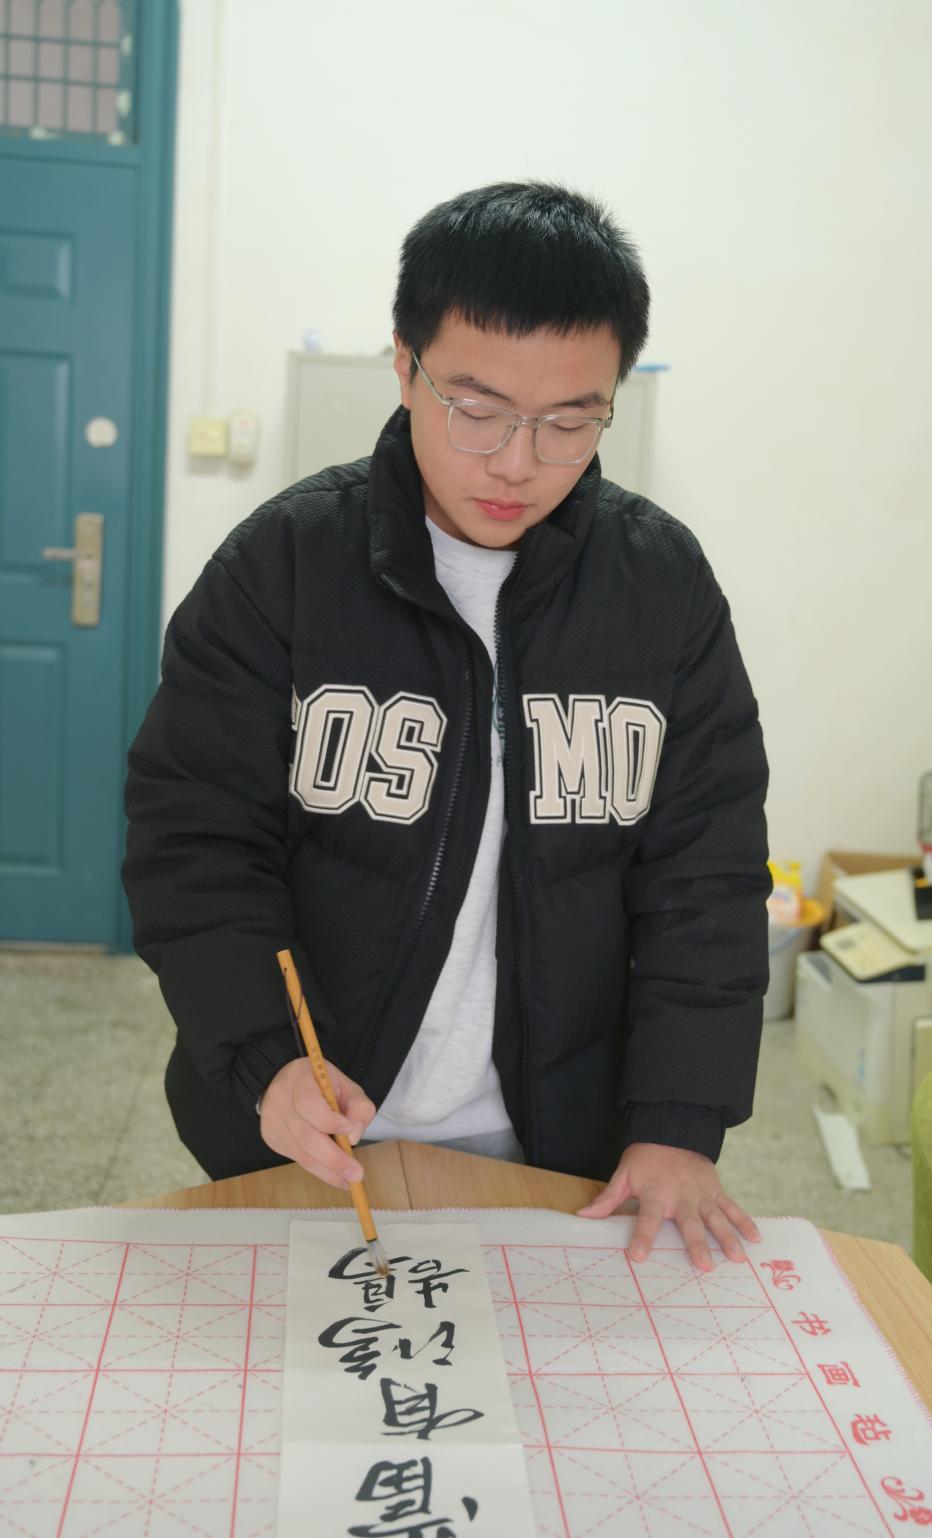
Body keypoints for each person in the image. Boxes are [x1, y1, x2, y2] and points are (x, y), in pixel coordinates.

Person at [123, 181, 770, 1271]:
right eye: (477, 408)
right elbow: (194, 838)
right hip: (305, 1135)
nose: (518, 461)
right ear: (404, 365)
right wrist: (266, 1057)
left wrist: (677, 1117)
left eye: (571, 420)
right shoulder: (283, 566)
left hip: (564, 1150)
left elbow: (704, 871)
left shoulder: (661, 588)